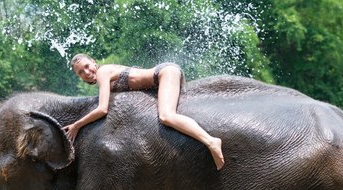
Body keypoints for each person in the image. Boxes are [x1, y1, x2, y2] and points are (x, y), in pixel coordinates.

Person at [64, 53, 225, 170]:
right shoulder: (105, 72)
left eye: (86, 66)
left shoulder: (102, 73)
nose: (86, 72)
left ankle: (211, 141)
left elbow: (102, 109)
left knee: (166, 116)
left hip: (164, 73)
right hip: (163, 76)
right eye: (81, 72)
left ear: (93, 62)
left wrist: (77, 125)